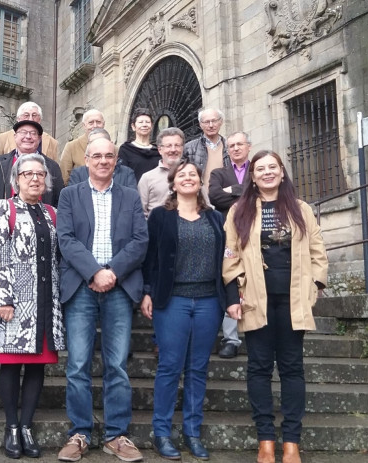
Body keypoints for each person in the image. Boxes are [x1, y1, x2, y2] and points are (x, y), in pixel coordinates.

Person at [223, 150, 328, 463]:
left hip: (292, 299)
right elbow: (230, 256)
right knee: (258, 368)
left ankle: (292, 441)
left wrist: (316, 285)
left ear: (282, 173)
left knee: (292, 367)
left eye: (273, 167)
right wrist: (232, 298)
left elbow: (317, 250)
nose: (267, 173)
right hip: (256, 299)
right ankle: (266, 439)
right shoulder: (238, 211)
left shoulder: (301, 209)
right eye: (260, 169)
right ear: (252, 176)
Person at [56, 137, 148, 462]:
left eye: (109, 156)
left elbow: (140, 240)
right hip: (81, 286)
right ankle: (79, 433)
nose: (103, 161)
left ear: (115, 161)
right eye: (97, 155)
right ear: (86, 159)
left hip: (119, 287)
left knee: (117, 366)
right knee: (78, 364)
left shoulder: (130, 196)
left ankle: (116, 435)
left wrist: (113, 272)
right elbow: (65, 239)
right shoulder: (69, 195)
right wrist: (94, 272)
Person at [141, 159, 236, 460]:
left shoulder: (216, 218)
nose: (187, 179)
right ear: (173, 182)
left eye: (192, 175)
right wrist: (147, 292)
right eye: (181, 175)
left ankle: (193, 433)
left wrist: (232, 297)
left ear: (200, 182)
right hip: (173, 301)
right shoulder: (160, 217)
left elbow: (228, 261)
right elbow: (150, 259)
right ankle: (161, 432)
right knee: (170, 366)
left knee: (197, 369)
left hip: (209, 301)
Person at [0, 153, 65, 459]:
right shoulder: (4, 207)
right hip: (15, 302)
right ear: (16, 180)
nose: (34, 179)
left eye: (40, 174)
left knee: (37, 365)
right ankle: (12, 426)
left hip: (45, 301)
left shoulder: (53, 213)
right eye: (27, 174)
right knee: (11, 363)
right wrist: (2, 297)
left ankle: (27, 425)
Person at [0, 119, 64, 240]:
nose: (28, 136)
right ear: (15, 136)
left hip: (42, 231)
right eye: (23, 132)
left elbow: (59, 202)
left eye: (33, 133)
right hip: (5, 230)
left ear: (39, 139)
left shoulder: (52, 166)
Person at [208, 131, 252, 358]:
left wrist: (232, 191)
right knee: (231, 280)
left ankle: (258, 331)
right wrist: (245, 191)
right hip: (229, 234)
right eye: (231, 145)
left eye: (240, 144)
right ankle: (231, 339)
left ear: (248, 146)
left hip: (258, 234)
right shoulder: (219, 173)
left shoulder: (260, 169)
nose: (235, 148)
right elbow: (214, 196)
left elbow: (266, 191)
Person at [137, 127, 184, 217]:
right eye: (168, 146)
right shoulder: (147, 178)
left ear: (182, 148)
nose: (173, 150)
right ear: (160, 150)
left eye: (177, 145)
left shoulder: (192, 176)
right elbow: (140, 212)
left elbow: (205, 205)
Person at [68, 128, 137, 189]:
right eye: (93, 142)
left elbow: (130, 201)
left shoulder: (127, 173)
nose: (99, 145)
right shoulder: (78, 174)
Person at [183, 108, 229, 199]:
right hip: (200, 199)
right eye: (207, 122)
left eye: (214, 121)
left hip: (226, 198)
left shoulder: (229, 146)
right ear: (200, 125)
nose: (211, 125)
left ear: (221, 122)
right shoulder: (189, 148)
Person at [59, 109, 105, 185]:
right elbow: (64, 177)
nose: (95, 126)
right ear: (84, 126)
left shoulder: (113, 148)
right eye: (91, 123)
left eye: (98, 122)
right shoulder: (71, 147)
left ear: (103, 124)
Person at [118, 108, 161, 183]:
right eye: (140, 122)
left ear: (151, 126)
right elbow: (123, 176)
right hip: (134, 192)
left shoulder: (158, 151)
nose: (144, 125)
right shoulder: (125, 150)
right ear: (133, 126)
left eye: (147, 122)